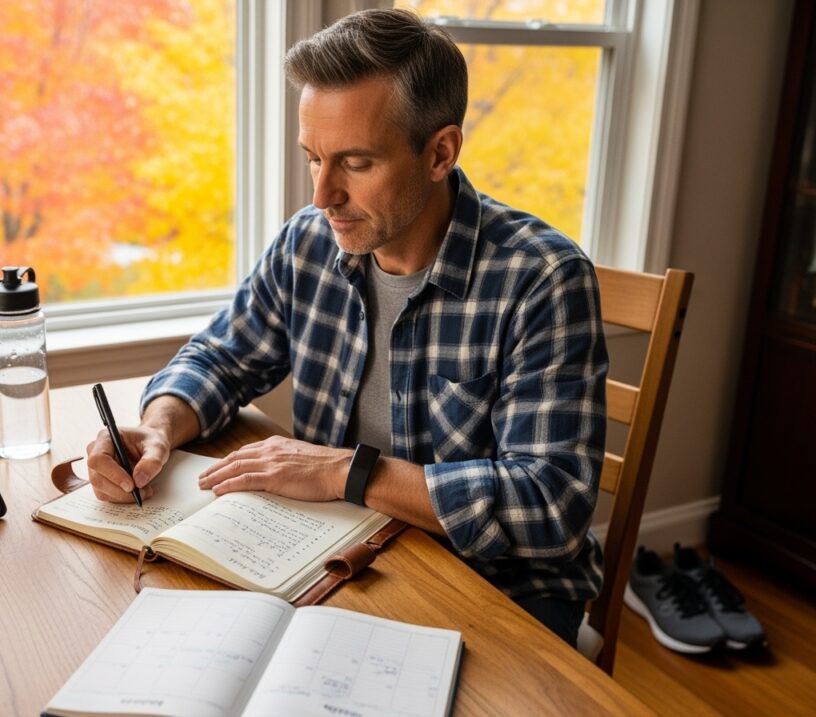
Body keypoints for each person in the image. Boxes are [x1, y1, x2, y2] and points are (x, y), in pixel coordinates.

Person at [86, 7, 608, 648]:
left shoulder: (542, 278)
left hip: (500, 595)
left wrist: (346, 472)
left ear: (440, 152)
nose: (322, 195)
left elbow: (552, 505)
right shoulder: (309, 243)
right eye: (314, 159)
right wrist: (158, 427)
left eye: (356, 164)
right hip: (338, 559)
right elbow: (221, 357)